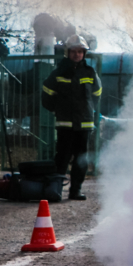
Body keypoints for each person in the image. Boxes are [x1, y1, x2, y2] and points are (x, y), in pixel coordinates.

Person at [41, 34, 101, 201]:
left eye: (80, 52)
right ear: (68, 52)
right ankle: (56, 190)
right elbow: (46, 94)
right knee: (62, 158)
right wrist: (57, 110)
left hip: (84, 124)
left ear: (84, 54)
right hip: (65, 124)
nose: (77, 54)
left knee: (81, 160)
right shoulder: (58, 73)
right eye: (74, 51)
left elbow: (97, 94)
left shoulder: (90, 73)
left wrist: (88, 109)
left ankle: (76, 191)